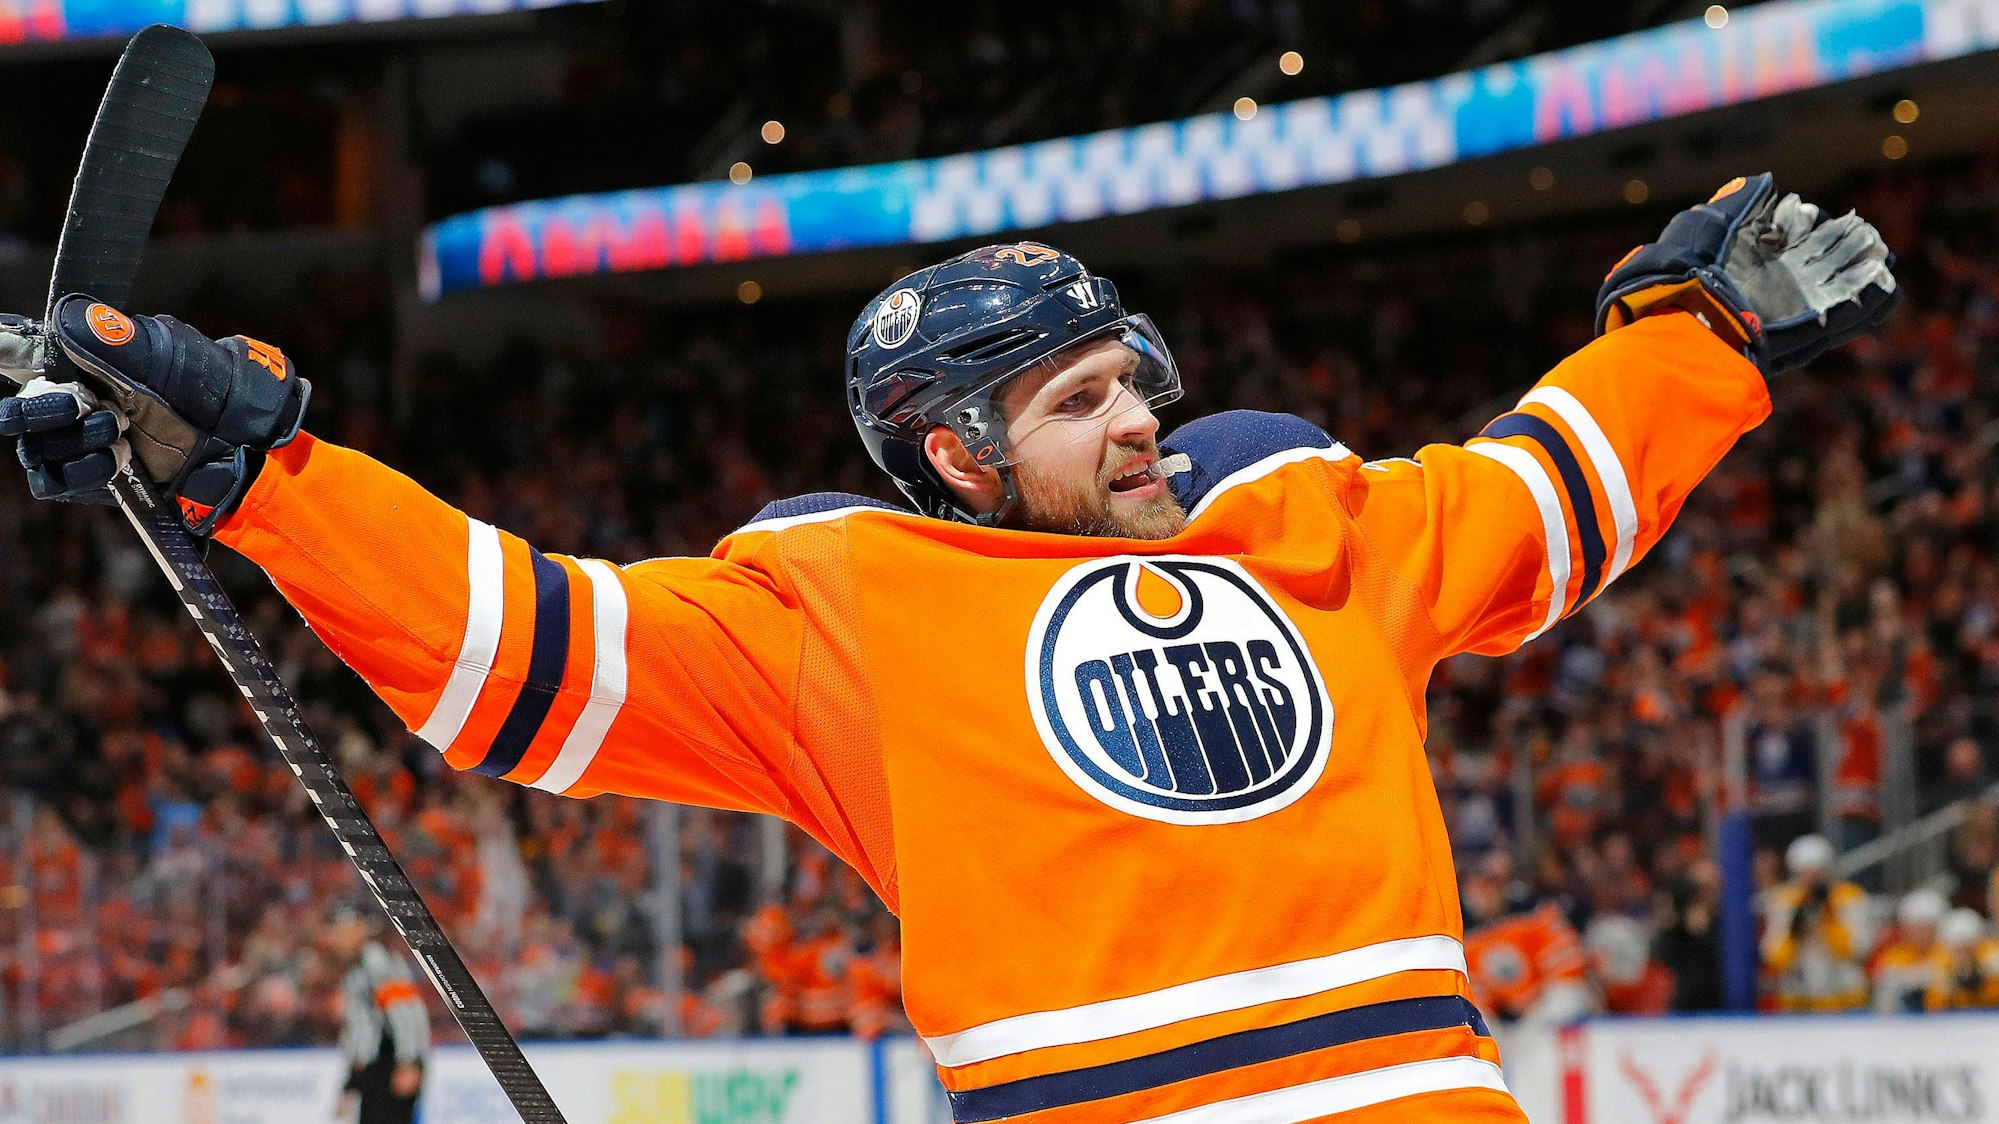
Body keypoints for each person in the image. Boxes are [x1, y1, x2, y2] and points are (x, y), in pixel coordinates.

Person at [0, 174, 1895, 1122]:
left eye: (1137, 379)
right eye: (1079, 401)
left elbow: (1542, 482)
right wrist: (246, 462)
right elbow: (517, 632)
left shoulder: (1308, 536)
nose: (1141, 420)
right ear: (955, 453)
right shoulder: (850, 609)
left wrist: (1693, 336)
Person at [323, 906, 429, 1124]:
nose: (342, 938)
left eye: (348, 930)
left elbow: (405, 1012)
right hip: (376, 1069)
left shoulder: (377, 962)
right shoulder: (354, 970)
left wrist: (410, 1060)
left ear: (361, 930)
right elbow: (360, 1034)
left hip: (391, 1064)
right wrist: (351, 1084)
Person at [1761, 833, 1873, 1010]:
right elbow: (1774, 955)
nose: (1811, 879)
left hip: (1844, 997)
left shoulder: (1848, 898)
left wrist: (1829, 918)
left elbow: (1858, 948)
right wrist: (1794, 932)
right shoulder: (1785, 901)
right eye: (1805, 873)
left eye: (1816, 873)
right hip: (1800, 998)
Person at [1871, 888, 1949, 1012]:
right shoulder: (1893, 956)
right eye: (1916, 927)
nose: (1921, 934)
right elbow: (1883, 992)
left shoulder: (1948, 953)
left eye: (1926, 928)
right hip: (1903, 1023)